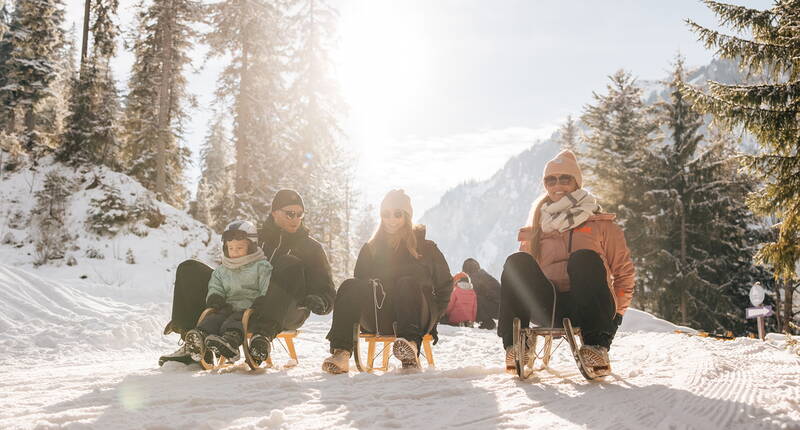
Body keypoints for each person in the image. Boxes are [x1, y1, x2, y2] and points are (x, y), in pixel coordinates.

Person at [159, 189, 336, 366]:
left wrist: (320, 300)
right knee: (189, 268)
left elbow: (327, 290)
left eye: (300, 214)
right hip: (239, 301)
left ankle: (262, 337)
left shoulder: (311, 248)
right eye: (290, 214)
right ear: (274, 213)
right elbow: (228, 264)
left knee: (289, 263)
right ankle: (194, 345)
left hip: (285, 309)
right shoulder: (252, 236)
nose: (296, 219)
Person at [499, 150, 635, 377]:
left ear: (576, 182)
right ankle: (516, 346)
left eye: (565, 178)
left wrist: (617, 316)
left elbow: (623, 273)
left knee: (584, 259)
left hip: (590, 306)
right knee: (517, 262)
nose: (557, 185)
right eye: (550, 180)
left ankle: (595, 347)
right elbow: (523, 281)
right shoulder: (537, 227)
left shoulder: (601, 224)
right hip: (550, 305)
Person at [321, 190, 453, 374]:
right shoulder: (371, 249)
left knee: (406, 283)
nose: (391, 219)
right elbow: (359, 286)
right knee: (350, 285)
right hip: (380, 315)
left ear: (407, 215)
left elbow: (445, 285)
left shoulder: (427, 248)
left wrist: (434, 316)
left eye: (397, 214)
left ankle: (410, 346)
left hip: (416, 316)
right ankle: (341, 353)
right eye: (386, 214)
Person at [183, 220, 272, 362]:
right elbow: (216, 286)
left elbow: (266, 286)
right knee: (214, 318)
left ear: (251, 247)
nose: (234, 252)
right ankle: (199, 336)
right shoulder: (222, 270)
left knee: (234, 321)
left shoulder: (261, 267)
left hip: (250, 309)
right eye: (231, 248)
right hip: (228, 306)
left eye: (239, 248)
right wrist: (215, 297)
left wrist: (262, 300)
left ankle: (231, 342)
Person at [461, 258, 500, 330]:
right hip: (502, 308)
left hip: (498, 308)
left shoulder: (476, 277)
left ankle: (487, 322)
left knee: (472, 299)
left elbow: (470, 296)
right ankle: (487, 321)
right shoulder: (482, 275)